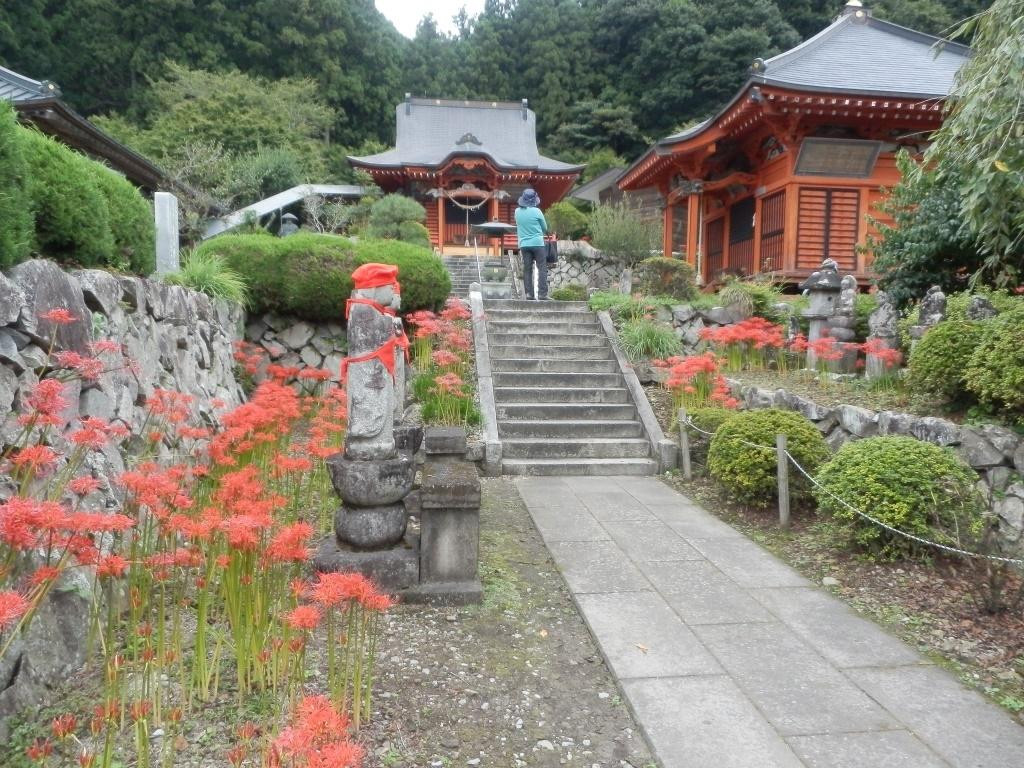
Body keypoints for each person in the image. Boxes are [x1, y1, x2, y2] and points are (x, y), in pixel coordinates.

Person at [514, 188, 548, 300]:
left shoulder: (517, 212)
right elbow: (545, 228)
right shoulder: (537, 211)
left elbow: (519, 225)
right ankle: (542, 294)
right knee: (542, 267)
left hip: (524, 244)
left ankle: (529, 294)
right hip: (537, 243)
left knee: (527, 268)